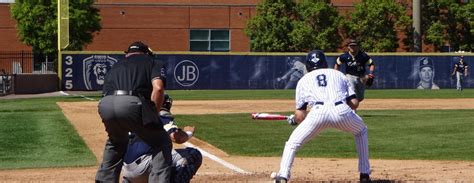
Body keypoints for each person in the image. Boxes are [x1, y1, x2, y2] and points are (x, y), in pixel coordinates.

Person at [272, 50, 371, 183]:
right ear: (325, 63)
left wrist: (294, 119)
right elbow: (354, 103)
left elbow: (300, 116)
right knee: (361, 131)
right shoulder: (338, 74)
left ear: (307, 65)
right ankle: (364, 174)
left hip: (317, 113)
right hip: (341, 111)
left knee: (292, 144)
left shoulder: (303, 80)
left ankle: (283, 176)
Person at [96, 41, 172, 183]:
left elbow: (104, 93)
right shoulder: (153, 61)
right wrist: (153, 115)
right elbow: (158, 88)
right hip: (131, 103)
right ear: (146, 53)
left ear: (128, 53)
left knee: (116, 143)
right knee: (161, 142)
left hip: (105, 104)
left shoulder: (116, 65)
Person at [122, 94, 203, 183]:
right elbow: (176, 137)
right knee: (194, 154)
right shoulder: (159, 116)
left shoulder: (135, 117)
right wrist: (189, 133)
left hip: (127, 172)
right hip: (143, 169)